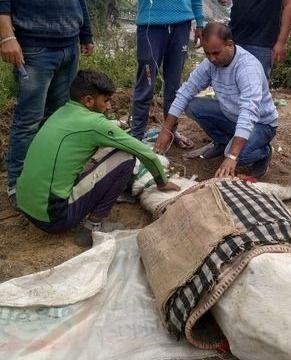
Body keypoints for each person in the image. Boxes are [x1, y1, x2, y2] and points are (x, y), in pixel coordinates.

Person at [16, 71, 178, 247]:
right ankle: (93, 226)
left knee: (98, 155)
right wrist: (162, 182)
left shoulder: (60, 112)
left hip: (26, 204)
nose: (108, 107)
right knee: (126, 157)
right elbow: (146, 154)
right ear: (88, 101)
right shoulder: (95, 124)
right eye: (106, 101)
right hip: (54, 218)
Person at [0, 0, 95, 207]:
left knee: (58, 118)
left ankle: (49, 177)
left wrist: (86, 34)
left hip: (69, 47)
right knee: (28, 121)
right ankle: (17, 185)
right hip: (35, 49)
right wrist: (7, 37)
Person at [154, 22, 278, 179]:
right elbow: (186, 91)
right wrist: (166, 130)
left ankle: (264, 152)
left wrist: (232, 156)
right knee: (193, 106)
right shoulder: (211, 63)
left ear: (230, 45)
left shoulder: (247, 68)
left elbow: (249, 112)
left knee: (237, 155)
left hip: (261, 123)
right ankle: (223, 141)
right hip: (232, 115)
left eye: (216, 53)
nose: (211, 59)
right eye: (207, 53)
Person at [130, 0, 203, 148]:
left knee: (174, 85)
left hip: (182, 24)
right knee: (146, 82)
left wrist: (200, 21)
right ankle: (136, 135)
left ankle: (170, 131)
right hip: (151, 25)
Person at [218, 0, 291, 77]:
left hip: (261, 43)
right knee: (230, 84)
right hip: (234, 38)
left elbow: (289, 4)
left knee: (256, 84)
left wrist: (282, 42)